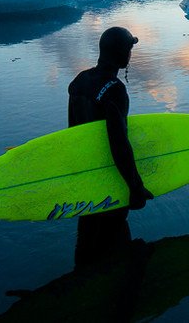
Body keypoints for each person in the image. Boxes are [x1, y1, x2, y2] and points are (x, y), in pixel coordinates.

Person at [67, 26, 155, 267]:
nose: (130, 54)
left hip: (87, 176)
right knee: (115, 243)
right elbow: (118, 142)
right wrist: (135, 186)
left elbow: (73, 132)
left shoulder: (79, 81)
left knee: (86, 238)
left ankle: (84, 279)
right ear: (122, 53)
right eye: (129, 49)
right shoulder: (115, 90)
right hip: (110, 177)